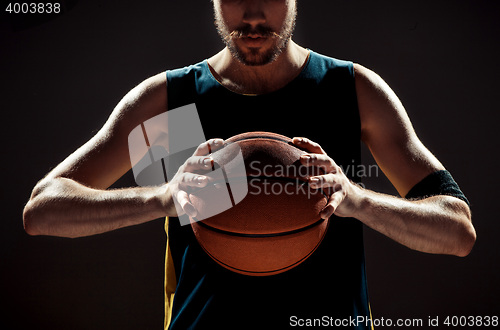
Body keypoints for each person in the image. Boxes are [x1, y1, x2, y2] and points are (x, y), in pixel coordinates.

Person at [23, 0, 476, 329]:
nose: (254, 15)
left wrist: (359, 202)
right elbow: (44, 210)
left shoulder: (348, 91)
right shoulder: (175, 104)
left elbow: (457, 231)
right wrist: (161, 198)